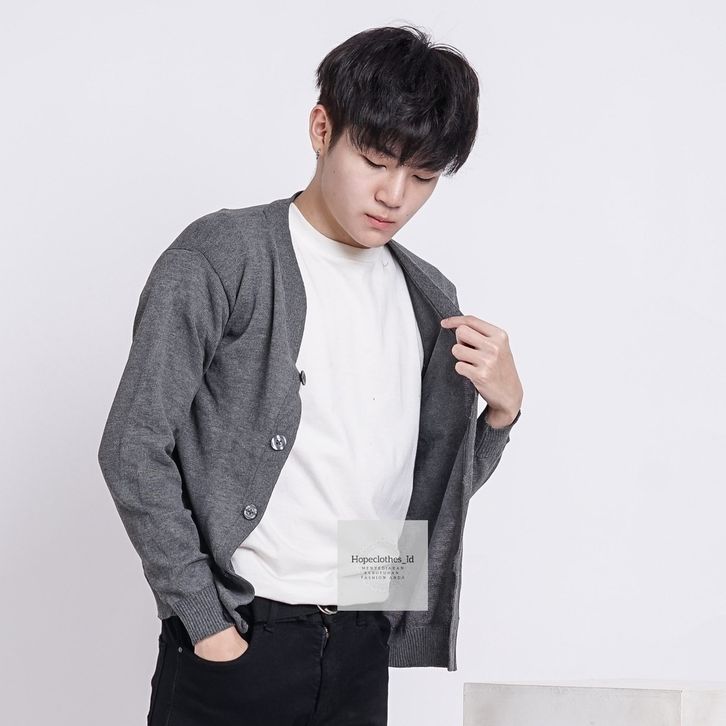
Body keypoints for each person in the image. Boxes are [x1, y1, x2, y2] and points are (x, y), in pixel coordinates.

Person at [98, 24, 523, 726]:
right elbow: (132, 447)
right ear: (322, 129)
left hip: (359, 642)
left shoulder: (430, 298)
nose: (395, 195)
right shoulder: (223, 257)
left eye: (422, 177)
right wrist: (207, 624)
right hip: (243, 635)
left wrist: (500, 418)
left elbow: (417, 493)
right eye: (376, 160)